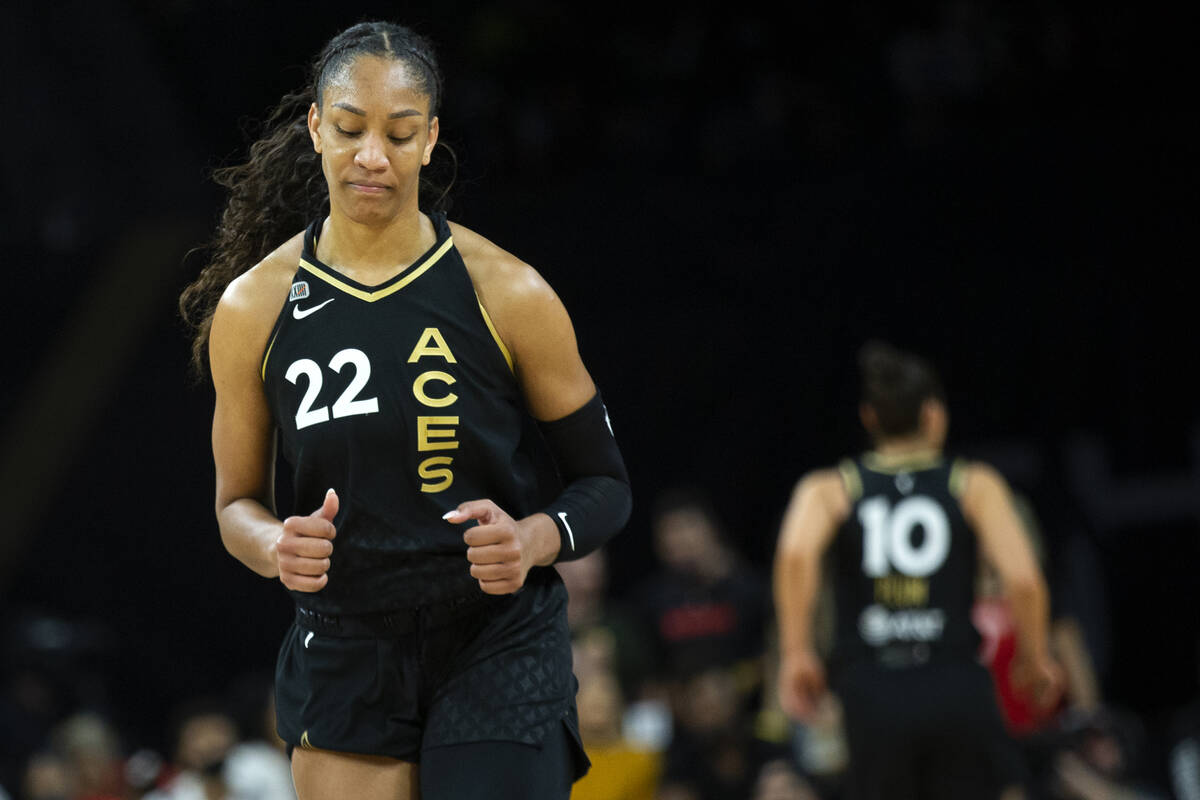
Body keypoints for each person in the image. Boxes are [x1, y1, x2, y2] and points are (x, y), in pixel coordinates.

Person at [177, 20, 632, 800]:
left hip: (495, 635)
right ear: (317, 126)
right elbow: (233, 505)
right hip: (347, 640)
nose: (372, 156)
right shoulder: (253, 306)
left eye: (400, 132)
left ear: (431, 140)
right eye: (351, 129)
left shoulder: (507, 290)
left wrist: (532, 537)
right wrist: (272, 544)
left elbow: (606, 486)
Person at [773, 340, 1063, 800]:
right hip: (953, 677)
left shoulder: (830, 488)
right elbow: (1024, 579)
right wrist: (1034, 655)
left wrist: (796, 652)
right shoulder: (973, 483)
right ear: (934, 414)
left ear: (868, 417)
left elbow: (794, 556)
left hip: (871, 685)